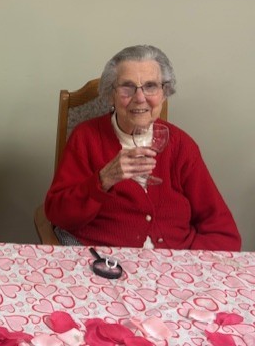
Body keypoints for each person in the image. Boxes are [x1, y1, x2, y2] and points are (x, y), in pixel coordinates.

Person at [44, 45, 241, 251]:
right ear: (111, 94)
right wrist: (103, 180)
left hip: (175, 261)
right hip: (106, 261)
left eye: (150, 86)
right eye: (127, 87)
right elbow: (58, 214)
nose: (140, 98)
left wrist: (186, 263)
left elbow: (222, 229)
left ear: (164, 93)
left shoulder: (181, 145)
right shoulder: (86, 138)